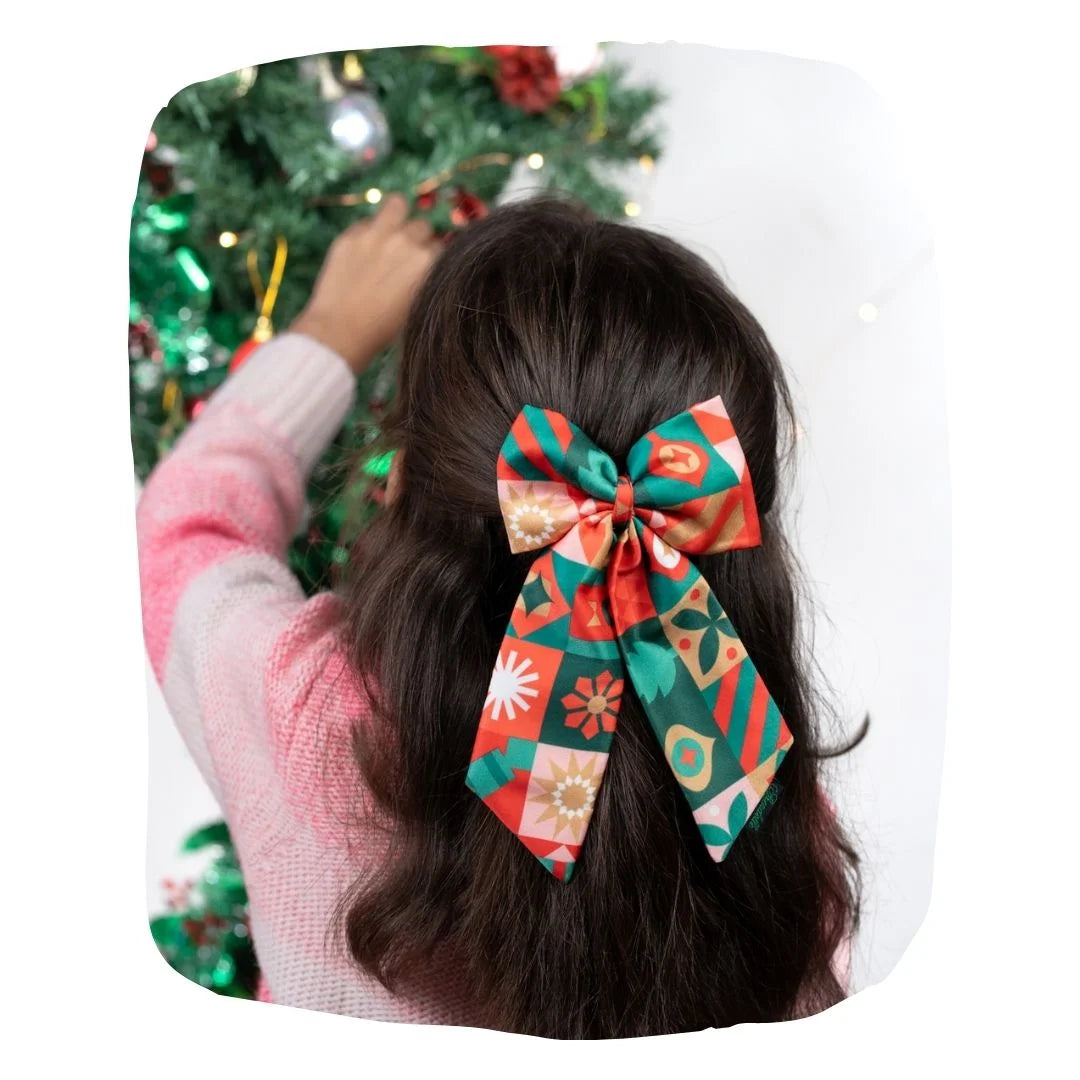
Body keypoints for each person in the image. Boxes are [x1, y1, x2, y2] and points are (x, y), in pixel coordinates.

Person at [137, 192, 861, 1039]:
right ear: (731, 525)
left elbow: (185, 526)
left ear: (402, 481)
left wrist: (332, 329)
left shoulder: (300, 706)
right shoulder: (760, 806)